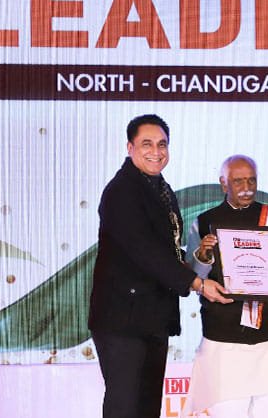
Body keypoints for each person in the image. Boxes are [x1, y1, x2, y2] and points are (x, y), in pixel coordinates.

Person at [88, 114, 232, 418]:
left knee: (147, 408)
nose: (156, 151)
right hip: (123, 321)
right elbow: (144, 251)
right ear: (130, 147)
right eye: (147, 144)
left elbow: (165, 250)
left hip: (151, 317)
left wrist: (199, 258)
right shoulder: (122, 191)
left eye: (162, 144)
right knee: (125, 408)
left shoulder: (160, 189)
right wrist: (197, 283)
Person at [181, 155, 268, 418]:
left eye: (252, 180)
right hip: (224, 337)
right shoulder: (205, 221)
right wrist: (203, 256)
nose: (247, 187)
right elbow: (195, 280)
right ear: (223, 183)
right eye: (238, 181)